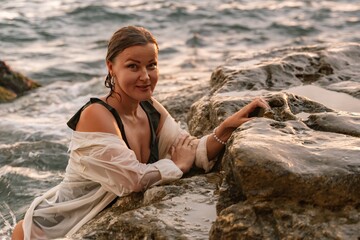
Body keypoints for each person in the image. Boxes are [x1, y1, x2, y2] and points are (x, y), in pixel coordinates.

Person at [11, 25, 269, 240]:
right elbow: (132, 181)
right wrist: (175, 165)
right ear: (111, 67)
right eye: (133, 66)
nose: (145, 76)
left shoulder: (150, 108)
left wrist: (227, 127)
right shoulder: (96, 115)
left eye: (152, 65)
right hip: (46, 229)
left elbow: (191, 151)